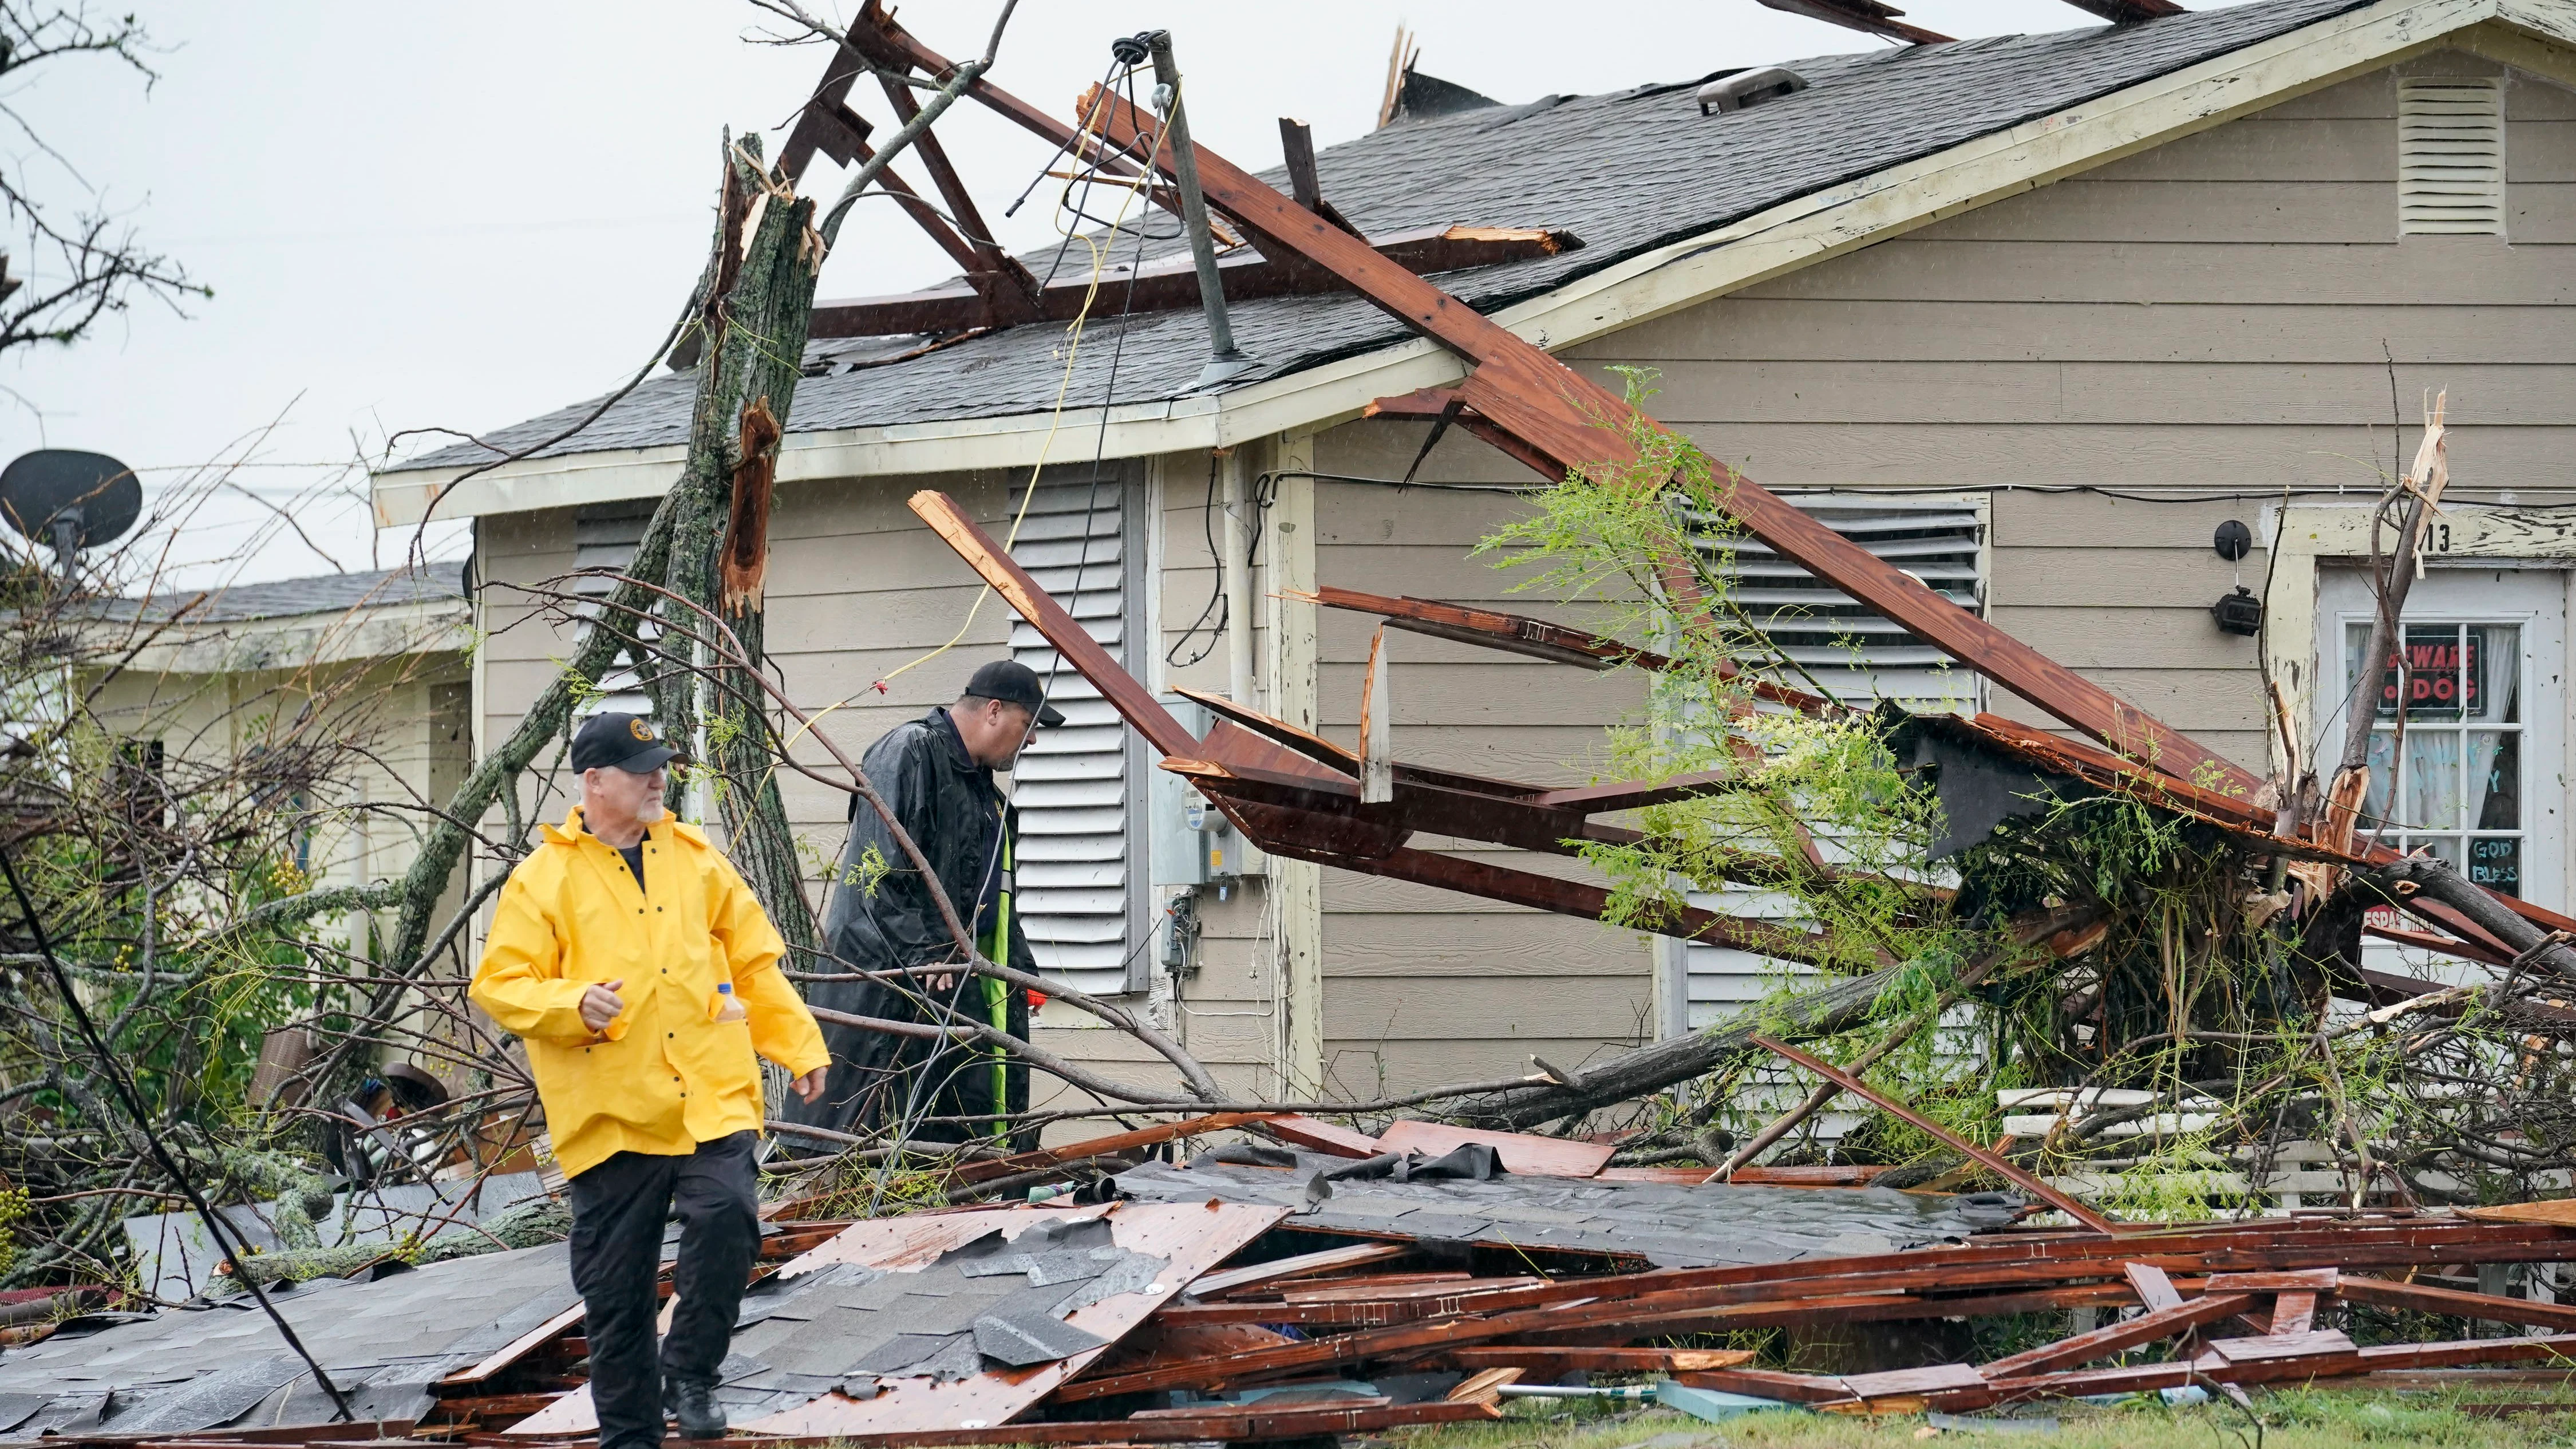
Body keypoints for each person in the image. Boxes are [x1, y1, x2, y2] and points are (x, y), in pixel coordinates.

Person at [470, 712, 830, 1449]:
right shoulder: (544, 878)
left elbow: (756, 964)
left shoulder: (697, 859)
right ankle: (630, 1435)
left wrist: (799, 1046)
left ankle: (692, 1372)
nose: (657, 778)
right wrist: (571, 1001)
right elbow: (501, 983)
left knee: (729, 1215)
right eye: (641, 768)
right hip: (612, 1113)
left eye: (661, 765)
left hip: (710, 1093)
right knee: (617, 1293)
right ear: (594, 781)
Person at [783, 659, 1062, 1150]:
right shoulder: (909, 753)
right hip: (889, 987)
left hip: (950, 992)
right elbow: (880, 875)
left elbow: (992, 900)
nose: (1032, 740)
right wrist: (926, 952)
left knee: (952, 1145)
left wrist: (1022, 973)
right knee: (876, 1141)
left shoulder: (989, 800)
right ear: (994, 711)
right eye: (1029, 725)